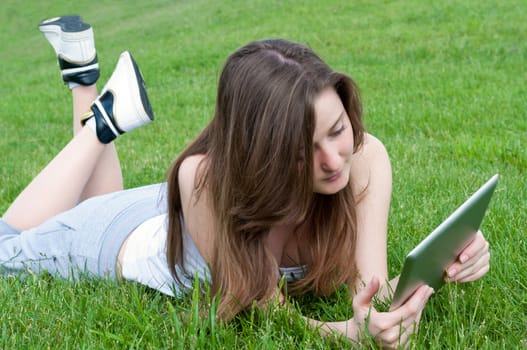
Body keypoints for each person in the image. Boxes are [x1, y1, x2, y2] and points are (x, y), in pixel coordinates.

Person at [0, 15, 490, 348]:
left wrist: (445, 263)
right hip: (123, 244)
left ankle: (89, 86)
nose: (333, 159)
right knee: (7, 245)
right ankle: (103, 121)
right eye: (304, 150)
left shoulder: (365, 158)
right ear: (262, 152)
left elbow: (374, 286)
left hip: (178, 220)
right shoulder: (203, 180)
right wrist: (346, 332)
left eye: (338, 130)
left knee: (91, 202)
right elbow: (265, 307)